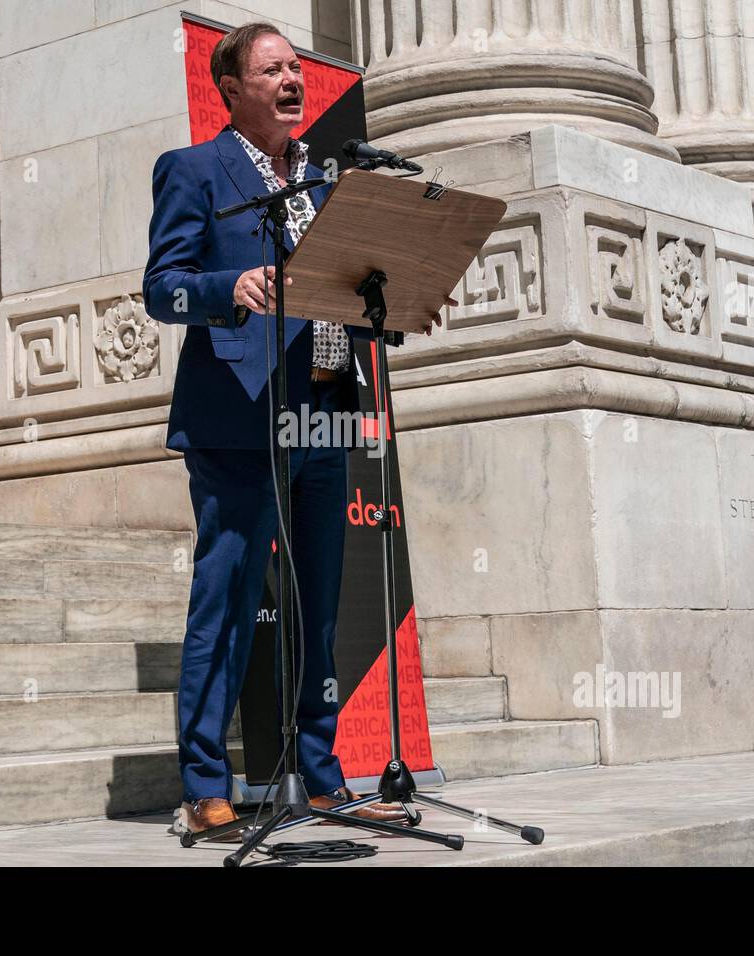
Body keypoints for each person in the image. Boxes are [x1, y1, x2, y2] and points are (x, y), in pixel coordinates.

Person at [142, 22, 442, 838]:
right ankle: (206, 787)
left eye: (296, 68)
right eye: (272, 69)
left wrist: (402, 298)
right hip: (237, 416)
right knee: (228, 599)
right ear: (230, 88)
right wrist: (229, 284)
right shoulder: (195, 171)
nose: (292, 80)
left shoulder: (330, 180)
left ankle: (321, 776)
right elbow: (160, 290)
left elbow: (350, 287)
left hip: (322, 409)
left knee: (321, 609)